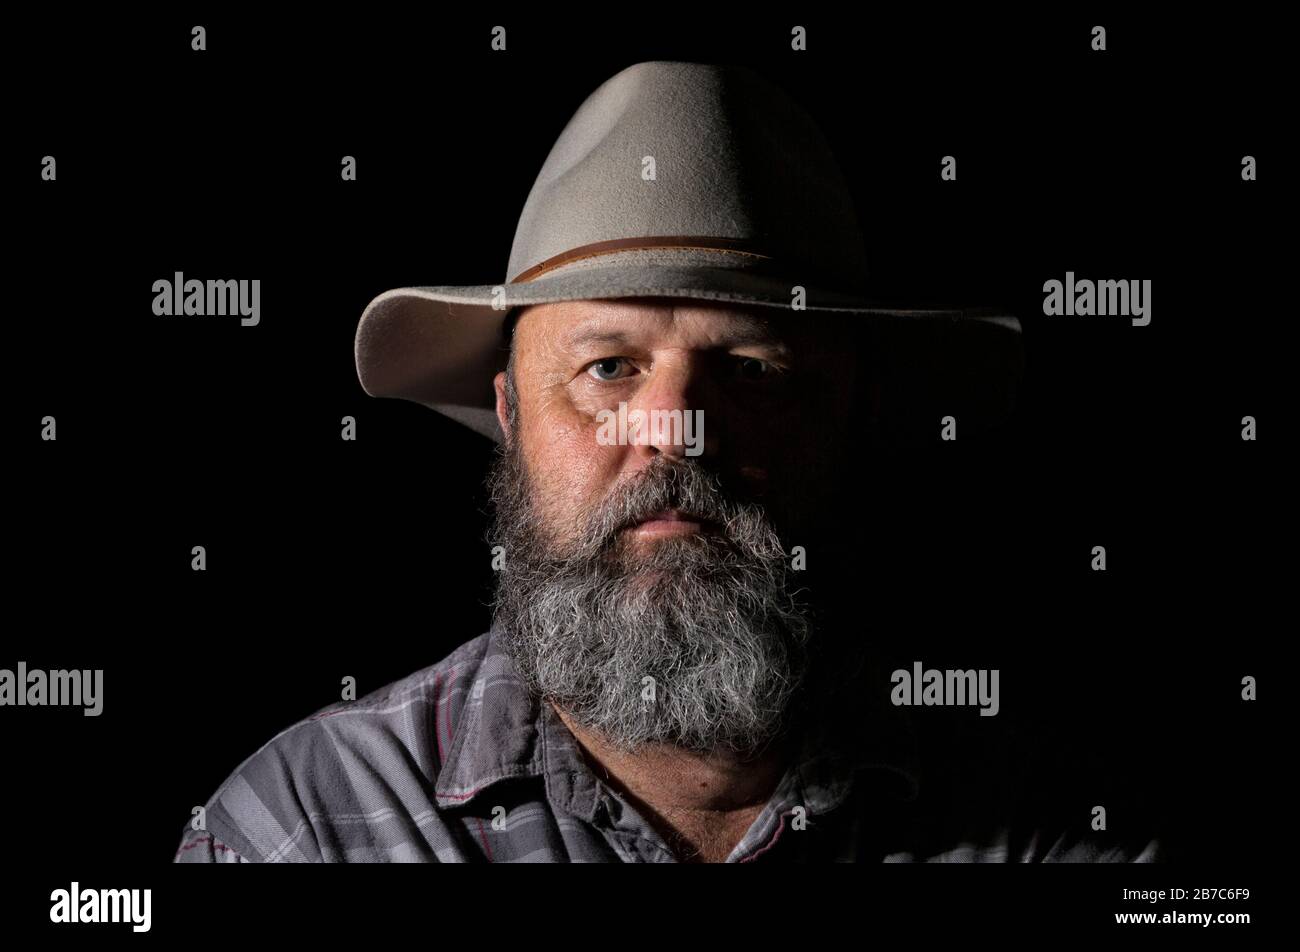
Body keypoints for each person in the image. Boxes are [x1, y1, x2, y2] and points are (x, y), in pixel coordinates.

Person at [175, 60, 1154, 862]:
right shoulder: (301, 830)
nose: (676, 430)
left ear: (856, 416)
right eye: (607, 366)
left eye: (752, 369)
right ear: (509, 414)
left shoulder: (1048, 826)